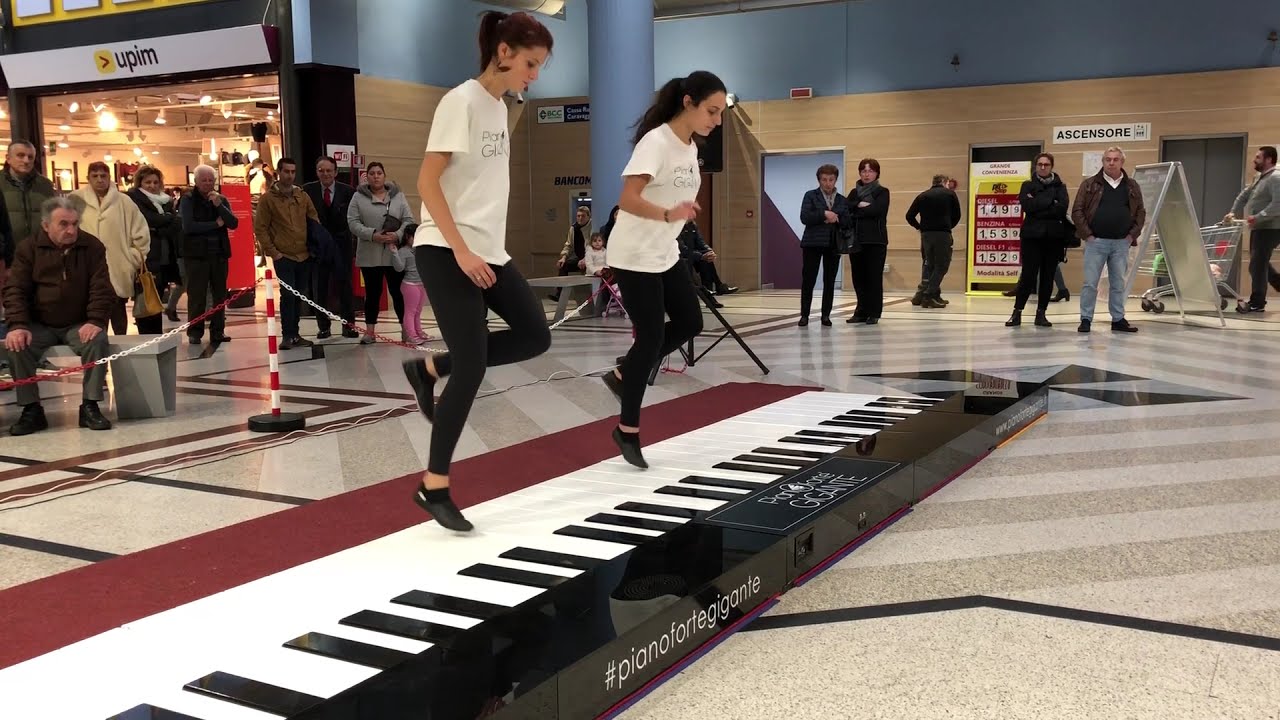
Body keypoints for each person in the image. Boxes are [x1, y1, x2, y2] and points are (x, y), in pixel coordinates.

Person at [400, 10, 554, 532]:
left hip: (490, 250)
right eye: (530, 64)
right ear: (504, 52)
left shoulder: (500, 105)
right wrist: (462, 250)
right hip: (446, 248)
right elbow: (426, 182)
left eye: (540, 67)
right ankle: (433, 485)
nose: (534, 76)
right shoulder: (460, 101)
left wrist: (482, 250)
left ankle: (427, 369)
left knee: (535, 336)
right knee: (473, 363)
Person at [600, 70, 725, 469]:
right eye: (711, 110)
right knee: (651, 338)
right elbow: (628, 199)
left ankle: (624, 374)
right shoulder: (656, 143)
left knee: (690, 322)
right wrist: (669, 212)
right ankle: (628, 429)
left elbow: (676, 197)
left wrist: (682, 215)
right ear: (688, 102)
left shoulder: (690, 149)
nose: (716, 120)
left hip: (664, 252)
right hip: (634, 253)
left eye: (721, 112)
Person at [4, 195, 115, 435]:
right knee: (16, 345)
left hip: (78, 322)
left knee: (97, 341)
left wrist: (95, 320)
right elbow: (15, 289)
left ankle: (90, 405)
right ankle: (31, 409)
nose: (71, 230)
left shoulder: (92, 247)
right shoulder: (28, 248)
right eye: (63, 224)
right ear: (46, 226)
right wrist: (18, 324)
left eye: (75, 224)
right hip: (39, 324)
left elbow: (101, 287)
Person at [1071, 146, 1145, 333]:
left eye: (1115, 159)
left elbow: (1140, 213)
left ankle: (1118, 319)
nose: (1111, 162)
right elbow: (1077, 211)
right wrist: (1088, 235)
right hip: (1096, 243)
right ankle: (1086, 319)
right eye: (1107, 159)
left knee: (1118, 283)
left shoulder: (1132, 185)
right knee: (1090, 283)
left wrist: (1131, 236)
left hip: (1121, 243)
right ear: (1103, 161)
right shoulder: (1089, 185)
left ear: (1122, 162)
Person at [74, 162, 154, 335]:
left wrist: (131, 258)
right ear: (88, 178)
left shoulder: (125, 202)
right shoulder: (75, 200)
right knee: (92, 313)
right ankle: (96, 353)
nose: (99, 180)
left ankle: (121, 353)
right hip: (85, 267)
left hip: (118, 266)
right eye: (95, 176)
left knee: (118, 311)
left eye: (103, 176)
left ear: (110, 177)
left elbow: (141, 233)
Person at [255, 157, 320, 350]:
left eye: (293, 172)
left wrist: (315, 243)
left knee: (299, 296)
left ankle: (295, 334)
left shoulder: (302, 196)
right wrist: (273, 253)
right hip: (283, 256)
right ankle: (288, 335)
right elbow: (260, 228)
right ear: (278, 172)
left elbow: (313, 219)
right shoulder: (268, 199)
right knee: (288, 296)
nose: (290, 175)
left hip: (304, 254)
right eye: (286, 172)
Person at [348, 161, 415, 344]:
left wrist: (398, 234)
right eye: (372, 173)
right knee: (373, 294)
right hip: (370, 255)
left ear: (384, 176)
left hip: (395, 255)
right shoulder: (358, 198)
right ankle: (370, 332)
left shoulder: (398, 196)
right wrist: (373, 235)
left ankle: (406, 330)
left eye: (379, 173)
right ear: (367, 177)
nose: (375, 176)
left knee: (398, 293)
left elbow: (409, 219)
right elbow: (353, 222)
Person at [1007, 153, 1070, 328]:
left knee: (1048, 276)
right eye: (1040, 164)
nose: (1043, 167)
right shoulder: (1027, 185)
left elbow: (1061, 209)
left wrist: (1038, 203)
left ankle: (1041, 313)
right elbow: (1027, 206)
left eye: (1047, 164)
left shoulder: (1061, 187)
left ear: (1051, 166)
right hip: (1031, 237)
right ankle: (1017, 312)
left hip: (1053, 238)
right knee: (1028, 276)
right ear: (1035, 166)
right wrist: (1050, 201)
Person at [180, 165, 237, 345]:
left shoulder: (221, 199)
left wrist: (219, 206)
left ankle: (218, 331)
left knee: (220, 295)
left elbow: (233, 223)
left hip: (219, 254)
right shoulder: (188, 200)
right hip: (196, 256)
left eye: (210, 180)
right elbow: (189, 227)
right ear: (196, 182)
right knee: (197, 295)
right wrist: (215, 224)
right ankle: (195, 332)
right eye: (203, 180)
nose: (207, 183)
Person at [303, 156, 359, 338]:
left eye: (329, 170)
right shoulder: (307, 191)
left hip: (341, 247)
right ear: (317, 172)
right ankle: (323, 326)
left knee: (345, 287)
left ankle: (348, 326)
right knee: (320, 289)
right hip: (318, 248)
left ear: (335, 172)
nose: (325, 174)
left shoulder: (349, 192)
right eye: (321, 170)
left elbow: (354, 219)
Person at [126, 166, 184, 326]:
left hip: (165, 258)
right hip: (147, 259)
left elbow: (176, 224)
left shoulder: (165, 201)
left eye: (155, 182)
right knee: (146, 301)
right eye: (147, 182)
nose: (152, 186)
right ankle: (146, 339)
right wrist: (166, 220)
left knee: (157, 301)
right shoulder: (133, 199)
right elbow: (147, 219)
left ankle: (155, 338)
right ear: (140, 183)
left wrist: (161, 223)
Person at [1226, 145, 1280, 312]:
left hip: (1271, 227)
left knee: (1257, 264)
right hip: (1258, 228)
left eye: (1258, 157)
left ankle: (1257, 302)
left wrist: (1258, 216)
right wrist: (1232, 211)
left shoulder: (1276, 178)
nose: (1254, 160)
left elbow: (1278, 205)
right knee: (1258, 263)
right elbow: (1244, 195)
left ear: (1269, 159)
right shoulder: (1260, 177)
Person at [798, 163, 850, 326]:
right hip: (812, 243)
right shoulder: (810, 196)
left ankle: (826, 315)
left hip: (834, 244)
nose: (828, 183)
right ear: (819, 180)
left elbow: (848, 221)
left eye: (831, 179)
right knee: (809, 279)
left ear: (836, 180)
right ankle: (804, 315)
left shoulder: (842, 199)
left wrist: (837, 218)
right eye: (824, 180)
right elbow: (805, 217)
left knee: (830, 280)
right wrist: (823, 215)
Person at [904, 174, 961, 308]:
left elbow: (909, 216)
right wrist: (947, 226)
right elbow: (957, 215)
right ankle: (928, 295)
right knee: (942, 265)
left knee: (929, 265)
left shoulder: (922, 196)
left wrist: (920, 227)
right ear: (944, 182)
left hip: (926, 235)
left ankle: (932, 295)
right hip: (942, 234)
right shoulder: (949, 194)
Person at [846, 159, 890, 324]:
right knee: (858, 278)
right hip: (856, 241)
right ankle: (861, 311)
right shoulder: (854, 193)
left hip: (876, 241)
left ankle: (874, 312)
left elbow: (877, 210)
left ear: (876, 173)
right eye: (863, 171)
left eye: (870, 171)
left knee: (873, 278)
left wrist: (857, 209)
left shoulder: (882, 192)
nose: (866, 174)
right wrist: (860, 206)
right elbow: (846, 209)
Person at [391, 224, 429, 346]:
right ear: (407, 236)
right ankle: (411, 336)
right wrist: (395, 254)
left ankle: (419, 332)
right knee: (410, 311)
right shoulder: (403, 251)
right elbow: (399, 268)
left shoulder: (419, 249)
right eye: (414, 237)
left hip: (421, 283)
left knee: (418, 311)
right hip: (410, 285)